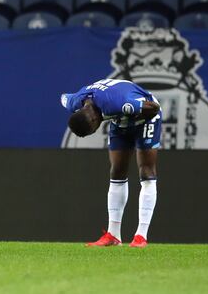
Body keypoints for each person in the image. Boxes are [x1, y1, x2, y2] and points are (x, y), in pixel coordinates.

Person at [61, 78, 161, 248]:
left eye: (92, 131)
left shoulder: (119, 103)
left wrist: (130, 112)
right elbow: (63, 97)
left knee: (146, 171)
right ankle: (113, 235)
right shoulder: (75, 102)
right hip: (120, 120)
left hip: (145, 117)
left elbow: (154, 108)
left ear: (93, 121)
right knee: (117, 172)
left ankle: (141, 236)